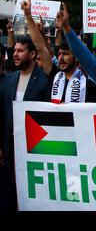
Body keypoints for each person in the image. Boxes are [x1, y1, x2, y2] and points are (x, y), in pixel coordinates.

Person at [0, 36, 49, 211]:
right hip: (9, 149)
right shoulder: (8, 80)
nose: (15, 54)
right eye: (14, 51)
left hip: (33, 149)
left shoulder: (44, 80)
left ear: (33, 53)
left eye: (20, 51)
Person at [20, 0, 96, 103]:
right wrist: (28, 15)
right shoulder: (55, 76)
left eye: (65, 54)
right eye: (60, 54)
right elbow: (40, 47)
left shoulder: (89, 85)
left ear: (76, 58)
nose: (60, 57)